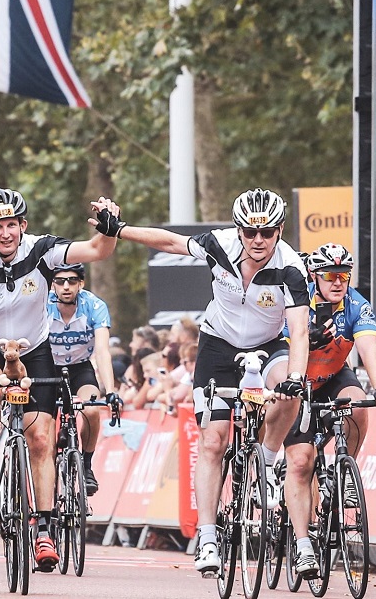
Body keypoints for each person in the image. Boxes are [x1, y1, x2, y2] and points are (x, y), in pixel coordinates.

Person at [107, 188, 311, 575]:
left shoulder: (291, 267)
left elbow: (299, 332)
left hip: (268, 345)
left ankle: (267, 463)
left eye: (267, 232)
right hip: (218, 347)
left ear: (280, 230)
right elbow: (169, 241)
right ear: (238, 230)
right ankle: (207, 536)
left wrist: (297, 378)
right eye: (250, 232)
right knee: (214, 440)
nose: (258, 240)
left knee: (290, 390)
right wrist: (119, 230)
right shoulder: (220, 244)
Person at [0, 188, 121, 573]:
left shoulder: (42, 250)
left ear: (23, 225)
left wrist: (109, 230)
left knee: (42, 438)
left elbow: (97, 250)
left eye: (11, 225)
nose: (5, 233)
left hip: (35, 348)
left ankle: (44, 528)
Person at [283, 244, 376, 580]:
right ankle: (303, 544)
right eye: (330, 275)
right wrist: (304, 341)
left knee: (357, 402)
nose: (338, 281)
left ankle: (345, 473)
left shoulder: (357, 305)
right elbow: (279, 345)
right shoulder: (298, 299)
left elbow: (369, 350)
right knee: (301, 462)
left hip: (331, 377)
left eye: (344, 275)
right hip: (297, 382)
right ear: (315, 276)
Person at [43, 262, 118, 495]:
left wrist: (111, 390)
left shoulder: (94, 306)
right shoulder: (42, 305)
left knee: (92, 410)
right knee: (42, 428)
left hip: (80, 367)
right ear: (52, 285)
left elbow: (102, 351)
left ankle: (86, 464)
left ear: (81, 284)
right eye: (60, 281)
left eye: (72, 281)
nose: (66, 286)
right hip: (47, 368)